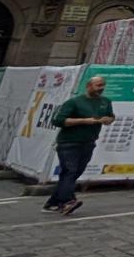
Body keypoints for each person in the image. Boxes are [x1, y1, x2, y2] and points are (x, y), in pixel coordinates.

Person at [45, 74, 116, 216]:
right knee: (70, 171)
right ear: (89, 86)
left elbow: (111, 116)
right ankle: (68, 201)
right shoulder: (74, 102)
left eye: (102, 85)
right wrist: (84, 121)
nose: (101, 88)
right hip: (69, 142)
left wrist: (108, 120)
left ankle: (53, 203)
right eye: (98, 86)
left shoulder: (106, 102)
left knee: (74, 173)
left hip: (88, 142)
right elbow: (58, 121)